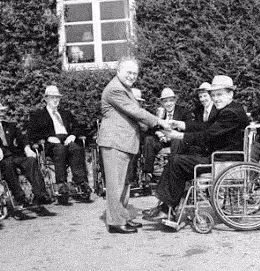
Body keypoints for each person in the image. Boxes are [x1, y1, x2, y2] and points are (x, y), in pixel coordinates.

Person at [144, 75, 249, 222]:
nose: (216, 99)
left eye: (220, 94)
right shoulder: (230, 109)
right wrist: (182, 125)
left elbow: (208, 135)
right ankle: (167, 206)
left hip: (222, 160)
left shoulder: (229, 113)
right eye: (214, 95)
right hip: (221, 156)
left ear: (230, 93)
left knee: (176, 161)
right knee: (181, 157)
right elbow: (206, 127)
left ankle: (166, 207)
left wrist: (179, 136)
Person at [98, 57, 171, 234]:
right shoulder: (115, 89)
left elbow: (135, 116)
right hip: (115, 142)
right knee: (116, 184)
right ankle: (115, 222)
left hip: (123, 142)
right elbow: (135, 111)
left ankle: (122, 217)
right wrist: (159, 121)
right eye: (129, 72)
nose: (132, 76)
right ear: (118, 72)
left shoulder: (124, 88)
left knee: (124, 183)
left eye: (135, 73)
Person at [0, 99, 53, 210]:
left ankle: (41, 194)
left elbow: (23, 138)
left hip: (15, 156)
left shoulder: (10, 126)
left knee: (30, 160)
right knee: (8, 164)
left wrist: (27, 148)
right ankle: (19, 196)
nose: (1, 114)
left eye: (2, 111)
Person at [28, 86, 92, 198]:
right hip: (50, 144)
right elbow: (33, 133)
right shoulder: (37, 115)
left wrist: (72, 135)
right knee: (59, 149)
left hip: (66, 139)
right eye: (52, 97)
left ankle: (80, 182)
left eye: (57, 97)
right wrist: (48, 137)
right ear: (46, 99)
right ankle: (61, 183)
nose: (55, 100)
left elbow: (78, 127)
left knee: (76, 148)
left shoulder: (66, 113)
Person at [141, 88, 193, 182]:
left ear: (175, 101)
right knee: (149, 139)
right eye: (165, 101)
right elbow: (151, 128)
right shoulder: (159, 112)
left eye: (171, 100)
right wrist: (159, 133)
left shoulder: (183, 111)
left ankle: (173, 174)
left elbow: (189, 128)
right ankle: (148, 172)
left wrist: (173, 134)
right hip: (162, 140)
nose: (168, 104)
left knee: (178, 141)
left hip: (176, 140)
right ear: (162, 103)